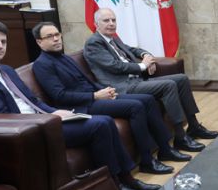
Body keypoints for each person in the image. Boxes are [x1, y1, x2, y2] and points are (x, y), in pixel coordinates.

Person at [0, 19, 157, 190]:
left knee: (105, 120)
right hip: (30, 131)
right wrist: (48, 118)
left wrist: (55, 112)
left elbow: (33, 100)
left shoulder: (6, 70)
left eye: (3, 41)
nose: (0, 46)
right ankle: (115, 186)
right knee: (99, 125)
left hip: (45, 119)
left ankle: (127, 179)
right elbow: (4, 119)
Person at [32, 22, 191, 175]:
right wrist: (95, 95)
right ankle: (147, 161)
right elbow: (60, 96)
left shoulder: (64, 57)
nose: (56, 39)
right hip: (82, 106)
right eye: (50, 36)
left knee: (148, 100)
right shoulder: (42, 64)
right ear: (39, 42)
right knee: (135, 107)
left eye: (57, 34)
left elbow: (87, 82)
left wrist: (104, 91)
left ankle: (165, 149)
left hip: (96, 96)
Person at [83, 8, 218, 153]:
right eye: (106, 20)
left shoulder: (113, 39)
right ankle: (180, 137)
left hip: (136, 81)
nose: (111, 23)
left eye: (113, 20)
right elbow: (114, 66)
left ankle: (194, 126)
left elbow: (132, 50)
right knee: (168, 85)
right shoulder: (94, 43)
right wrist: (143, 66)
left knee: (182, 79)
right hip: (122, 87)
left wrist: (147, 56)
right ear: (96, 24)